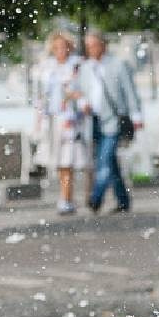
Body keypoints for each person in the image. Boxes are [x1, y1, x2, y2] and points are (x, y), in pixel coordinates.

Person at [35, 29, 94, 216]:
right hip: (54, 120)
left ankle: (71, 198)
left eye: (64, 47)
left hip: (72, 120)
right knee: (61, 162)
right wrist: (38, 120)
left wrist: (78, 102)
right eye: (57, 47)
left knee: (71, 161)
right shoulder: (47, 68)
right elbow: (42, 97)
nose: (61, 50)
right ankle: (68, 197)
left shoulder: (77, 66)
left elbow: (83, 91)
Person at [83, 30, 142, 214]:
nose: (91, 49)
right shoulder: (86, 68)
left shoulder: (118, 65)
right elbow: (79, 90)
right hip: (93, 120)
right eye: (88, 46)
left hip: (114, 120)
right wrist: (82, 103)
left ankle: (95, 198)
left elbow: (130, 91)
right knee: (110, 163)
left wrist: (137, 115)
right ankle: (123, 200)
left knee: (105, 159)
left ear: (103, 45)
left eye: (94, 45)